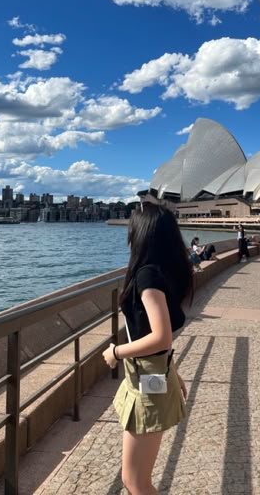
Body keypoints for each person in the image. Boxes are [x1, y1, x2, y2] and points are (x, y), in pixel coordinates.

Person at [102, 202, 193, 495]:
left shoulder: (147, 276)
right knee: (136, 478)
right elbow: (162, 337)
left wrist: (115, 352)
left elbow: (161, 337)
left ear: (141, 234)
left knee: (135, 481)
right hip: (152, 377)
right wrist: (171, 373)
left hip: (148, 383)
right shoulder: (163, 272)